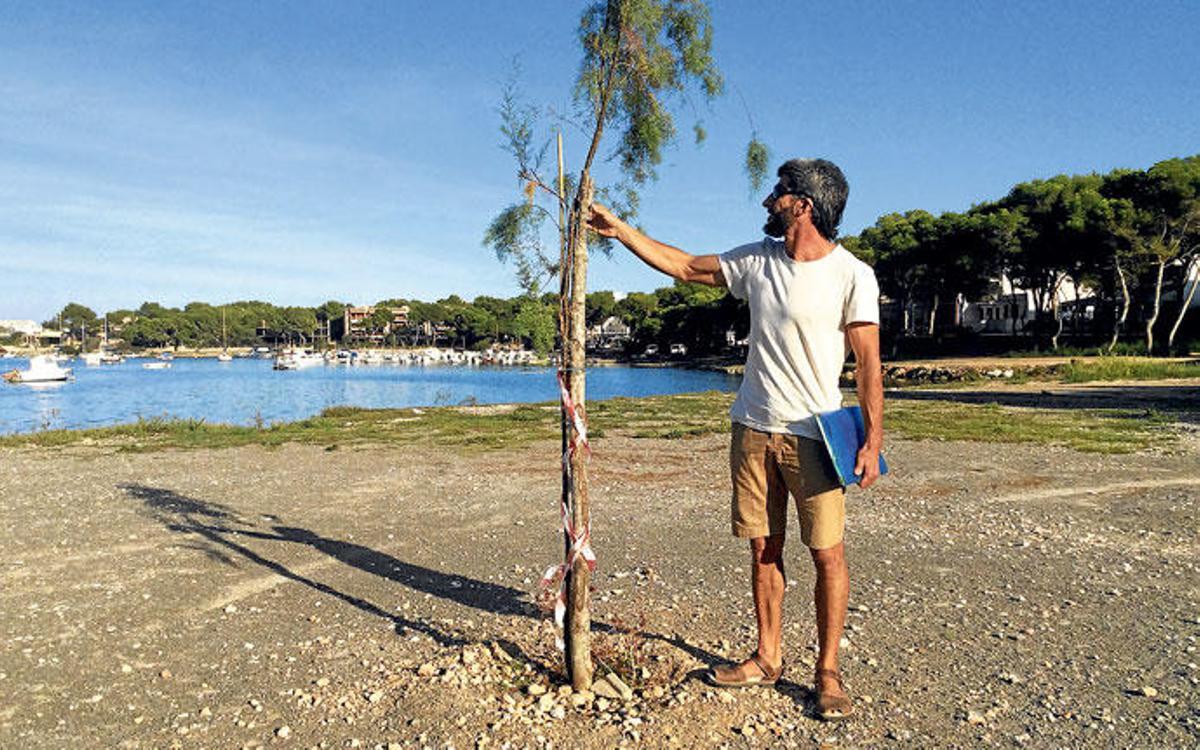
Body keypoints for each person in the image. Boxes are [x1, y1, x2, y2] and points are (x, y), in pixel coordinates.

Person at [587, 158, 883, 721]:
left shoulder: (853, 274)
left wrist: (871, 440)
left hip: (816, 435)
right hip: (752, 429)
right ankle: (767, 657)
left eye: (780, 192)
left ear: (805, 204)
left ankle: (827, 673)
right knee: (762, 547)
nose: (770, 198)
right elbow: (686, 268)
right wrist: (621, 229)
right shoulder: (758, 260)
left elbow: (869, 363)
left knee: (827, 553)